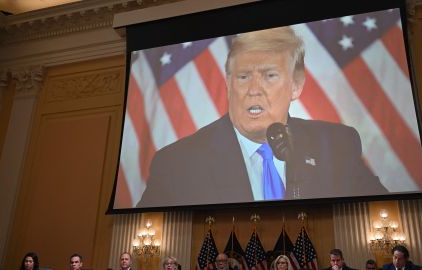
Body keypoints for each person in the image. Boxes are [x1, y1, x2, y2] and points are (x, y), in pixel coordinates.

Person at [137, 26, 387, 208]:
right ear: (228, 83)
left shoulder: (336, 144)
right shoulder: (176, 163)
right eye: (244, 76)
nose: (253, 89)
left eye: (269, 76)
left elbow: (378, 209)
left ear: (296, 85)